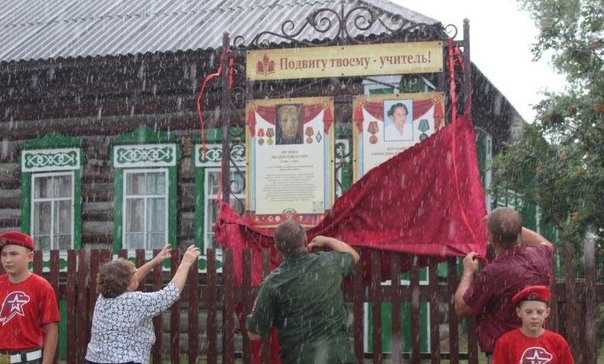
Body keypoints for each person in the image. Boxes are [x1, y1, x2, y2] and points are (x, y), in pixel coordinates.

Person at [246, 219, 360, 364]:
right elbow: (353, 255)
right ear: (305, 239)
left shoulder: (272, 284)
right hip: (340, 356)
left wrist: (255, 311)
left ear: (276, 247)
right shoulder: (329, 263)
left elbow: (254, 334)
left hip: (300, 358)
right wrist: (326, 240)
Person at [454, 206, 554, 363]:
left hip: (504, 352)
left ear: (492, 237)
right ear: (519, 233)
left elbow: (461, 307)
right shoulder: (539, 256)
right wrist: (512, 226)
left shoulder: (494, 272)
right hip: (534, 350)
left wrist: (467, 272)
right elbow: (546, 244)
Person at [85, 244, 200, 364]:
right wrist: (185, 264)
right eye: (133, 273)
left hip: (94, 360)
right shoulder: (135, 301)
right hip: (125, 361)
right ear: (126, 281)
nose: (136, 273)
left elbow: (132, 279)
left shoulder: (102, 298)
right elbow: (170, 293)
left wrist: (154, 261)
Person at [0, 231, 60, 364]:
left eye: (14, 254)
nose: (7, 260)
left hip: (29, 359)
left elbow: (52, 330)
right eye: (3, 254)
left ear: (30, 257)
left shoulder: (42, 287)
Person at [493, 285, 574, 363]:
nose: (534, 317)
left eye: (539, 312)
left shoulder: (558, 342)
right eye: (528, 312)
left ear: (547, 312)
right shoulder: (505, 343)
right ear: (519, 312)